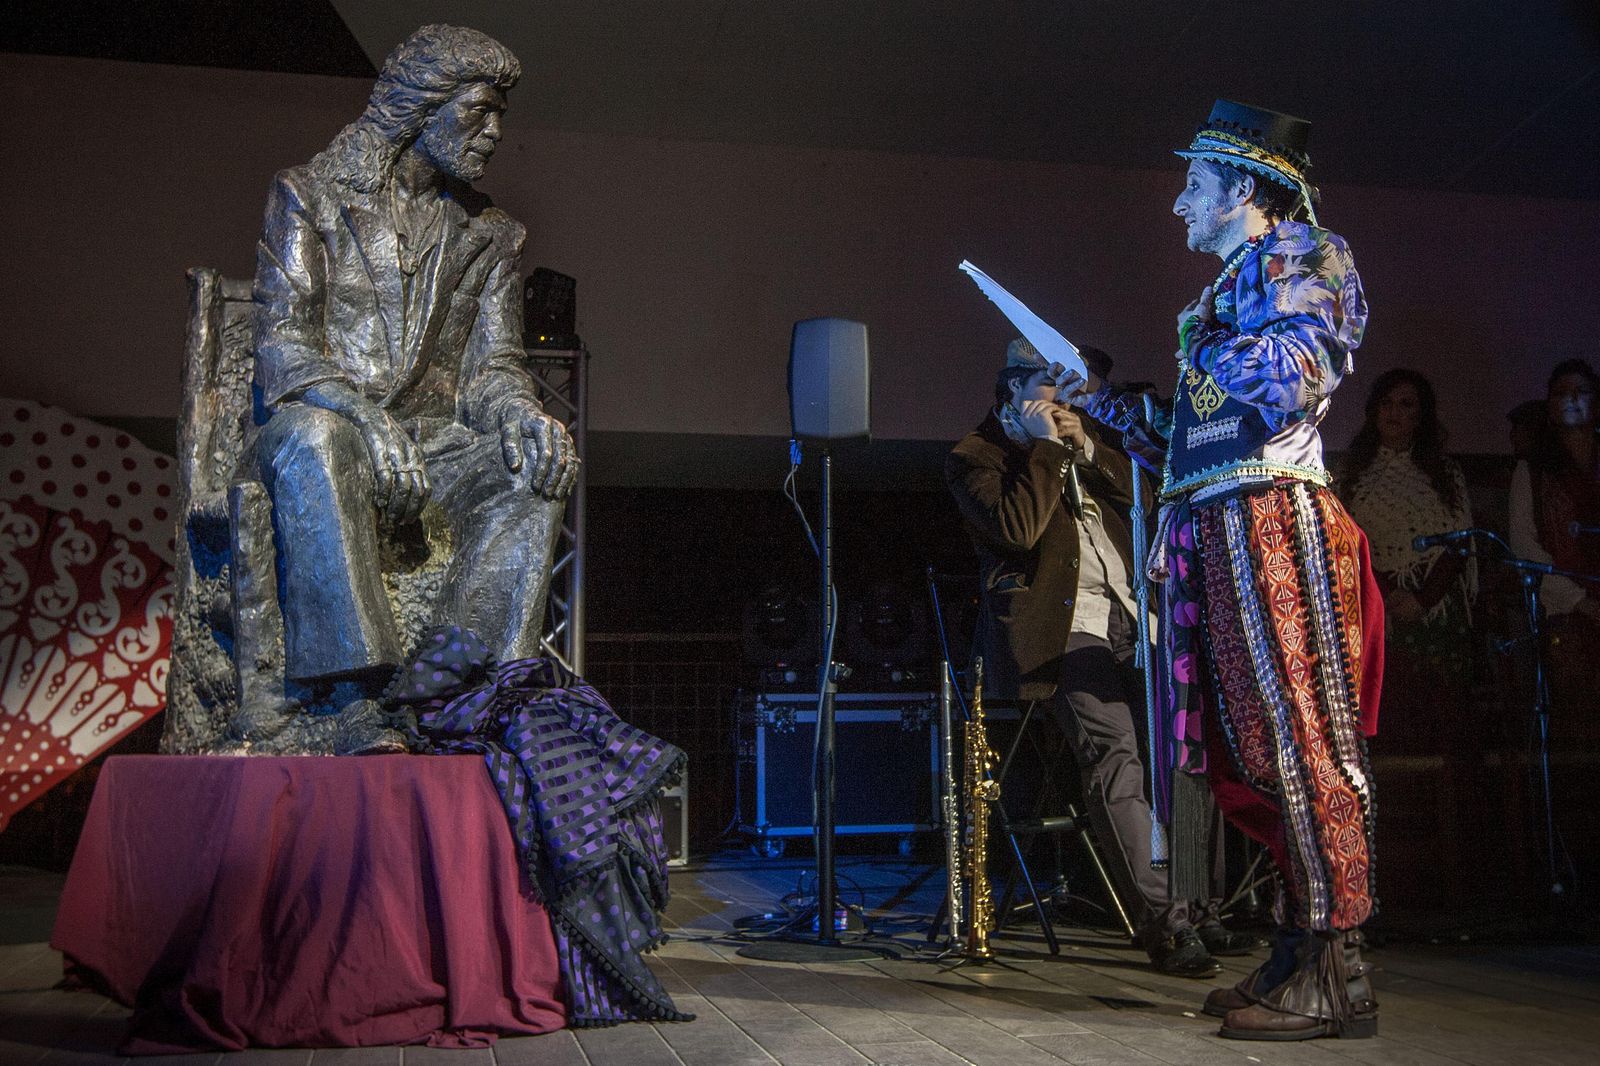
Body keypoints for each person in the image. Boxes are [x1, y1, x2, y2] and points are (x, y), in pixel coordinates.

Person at [1064, 100, 1381, 1040]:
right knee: (1251, 747)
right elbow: (1201, 442)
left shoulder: (1306, 257)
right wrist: (1117, 412)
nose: (1178, 206)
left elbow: (1294, 375)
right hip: (1221, 523)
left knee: (1301, 739)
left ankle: (1336, 961)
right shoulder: (1223, 295)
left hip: (1276, 520)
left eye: (1192, 185)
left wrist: (1210, 355)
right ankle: (1298, 941)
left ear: (1243, 186)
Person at [251, 25, 578, 734]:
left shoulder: (492, 235)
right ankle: (354, 694)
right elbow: (282, 346)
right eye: (478, 111)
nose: (494, 133)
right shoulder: (309, 196)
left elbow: (494, 367)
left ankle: (448, 686)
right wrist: (366, 420)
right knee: (316, 440)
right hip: (323, 423)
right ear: (421, 106)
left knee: (532, 467)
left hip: (432, 444)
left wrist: (523, 413)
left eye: (500, 116)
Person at [946, 337, 1254, 977]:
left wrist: (1085, 448)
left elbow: (1146, 507)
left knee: (1183, 756)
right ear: (1019, 392)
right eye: (1057, 389)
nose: (1071, 404)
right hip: (1064, 631)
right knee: (1117, 757)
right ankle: (1166, 923)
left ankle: (1203, 907)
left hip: (1136, 617)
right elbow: (1018, 530)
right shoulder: (977, 456)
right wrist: (1045, 449)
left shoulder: (1093, 447)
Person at [1337, 369, 1475, 756]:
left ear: (1421, 416)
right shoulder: (1351, 475)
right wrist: (1390, 593)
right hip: (1376, 610)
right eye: (1386, 403)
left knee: (1446, 726)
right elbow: (1346, 544)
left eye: (1406, 404)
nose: (1394, 412)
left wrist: (1423, 598)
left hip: (1436, 610)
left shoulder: (1445, 474)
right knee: (1390, 723)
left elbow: (1459, 543)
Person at [1508, 359, 1600, 734]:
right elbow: (1524, 546)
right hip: (1565, 613)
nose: (1572, 400)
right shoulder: (1532, 470)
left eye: (1581, 391)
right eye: (1562, 393)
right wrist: (1581, 602)